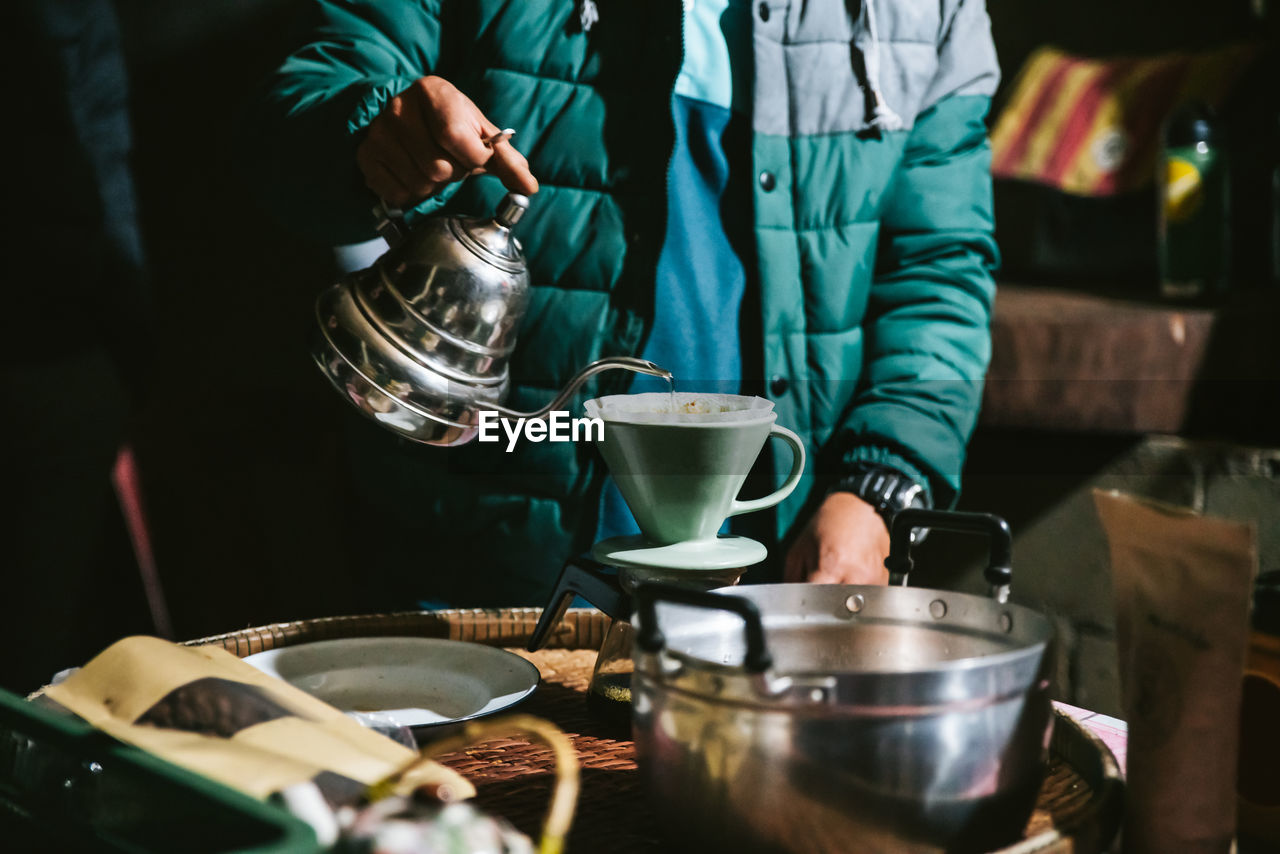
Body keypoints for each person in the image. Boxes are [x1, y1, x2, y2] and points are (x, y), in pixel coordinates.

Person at [240, 0, 999, 608]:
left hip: (773, 565)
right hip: (489, 555)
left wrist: (872, 491)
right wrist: (373, 135)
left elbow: (937, 270)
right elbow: (300, 114)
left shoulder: (930, 12)